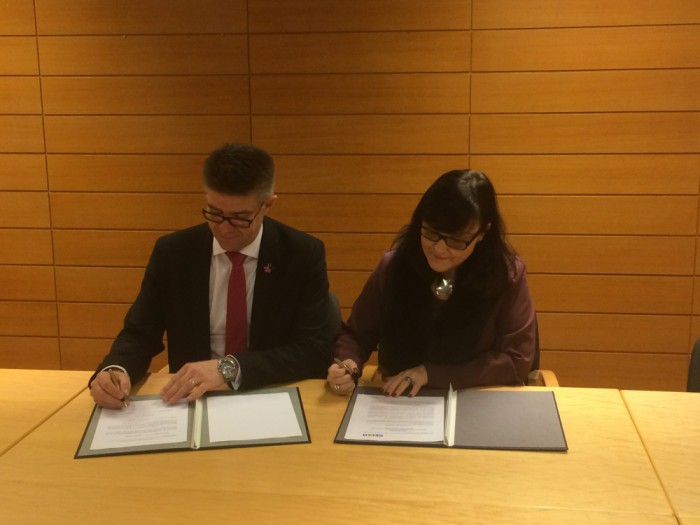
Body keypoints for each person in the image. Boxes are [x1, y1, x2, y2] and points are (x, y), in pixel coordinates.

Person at [90, 143, 333, 408]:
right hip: (191, 399)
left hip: (268, 394)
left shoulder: (300, 253)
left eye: (240, 218)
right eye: (214, 213)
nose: (225, 229)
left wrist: (228, 368)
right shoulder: (174, 253)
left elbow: (314, 350)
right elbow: (140, 332)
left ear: (267, 205)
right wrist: (116, 369)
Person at [327, 169, 536, 397]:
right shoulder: (395, 265)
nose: (439, 249)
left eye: (456, 240)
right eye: (430, 232)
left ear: (482, 233)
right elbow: (357, 334)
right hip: (400, 399)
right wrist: (346, 363)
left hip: (475, 397)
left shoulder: (506, 275)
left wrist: (430, 374)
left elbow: (516, 360)